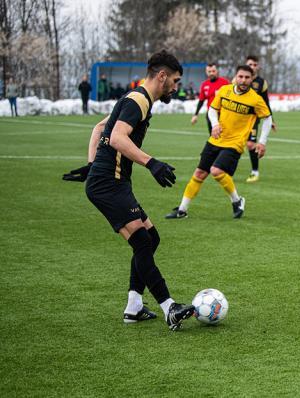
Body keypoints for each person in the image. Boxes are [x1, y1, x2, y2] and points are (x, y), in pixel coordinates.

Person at [62, 50, 195, 331]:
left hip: (112, 181)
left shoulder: (136, 98)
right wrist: (151, 163)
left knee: (151, 237)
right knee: (142, 243)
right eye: (175, 80)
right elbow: (118, 138)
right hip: (108, 184)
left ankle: (134, 307)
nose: (176, 86)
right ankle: (169, 307)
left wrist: (91, 164)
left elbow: (101, 128)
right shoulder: (139, 100)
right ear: (162, 76)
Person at [165, 65, 273, 220]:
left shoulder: (255, 99)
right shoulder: (225, 91)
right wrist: (215, 124)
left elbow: (267, 118)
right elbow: (212, 109)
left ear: (251, 79)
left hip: (235, 143)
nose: (243, 80)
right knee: (199, 173)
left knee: (216, 171)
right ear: (235, 77)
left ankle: (237, 200)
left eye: (247, 77)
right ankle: (182, 210)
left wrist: (262, 142)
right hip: (216, 139)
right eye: (240, 77)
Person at [244, 55, 276, 183]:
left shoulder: (262, 83)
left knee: (251, 144)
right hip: (237, 117)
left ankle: (255, 172)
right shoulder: (239, 79)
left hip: (253, 118)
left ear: (258, 66)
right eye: (250, 64)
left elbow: (266, 102)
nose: (252, 67)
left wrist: (271, 119)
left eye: (254, 65)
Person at [191, 63, 229, 134]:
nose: (211, 73)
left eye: (213, 71)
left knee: (224, 137)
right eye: (209, 71)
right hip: (211, 115)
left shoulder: (225, 83)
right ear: (206, 72)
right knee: (213, 137)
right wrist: (195, 115)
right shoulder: (204, 85)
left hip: (224, 114)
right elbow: (201, 101)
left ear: (217, 71)